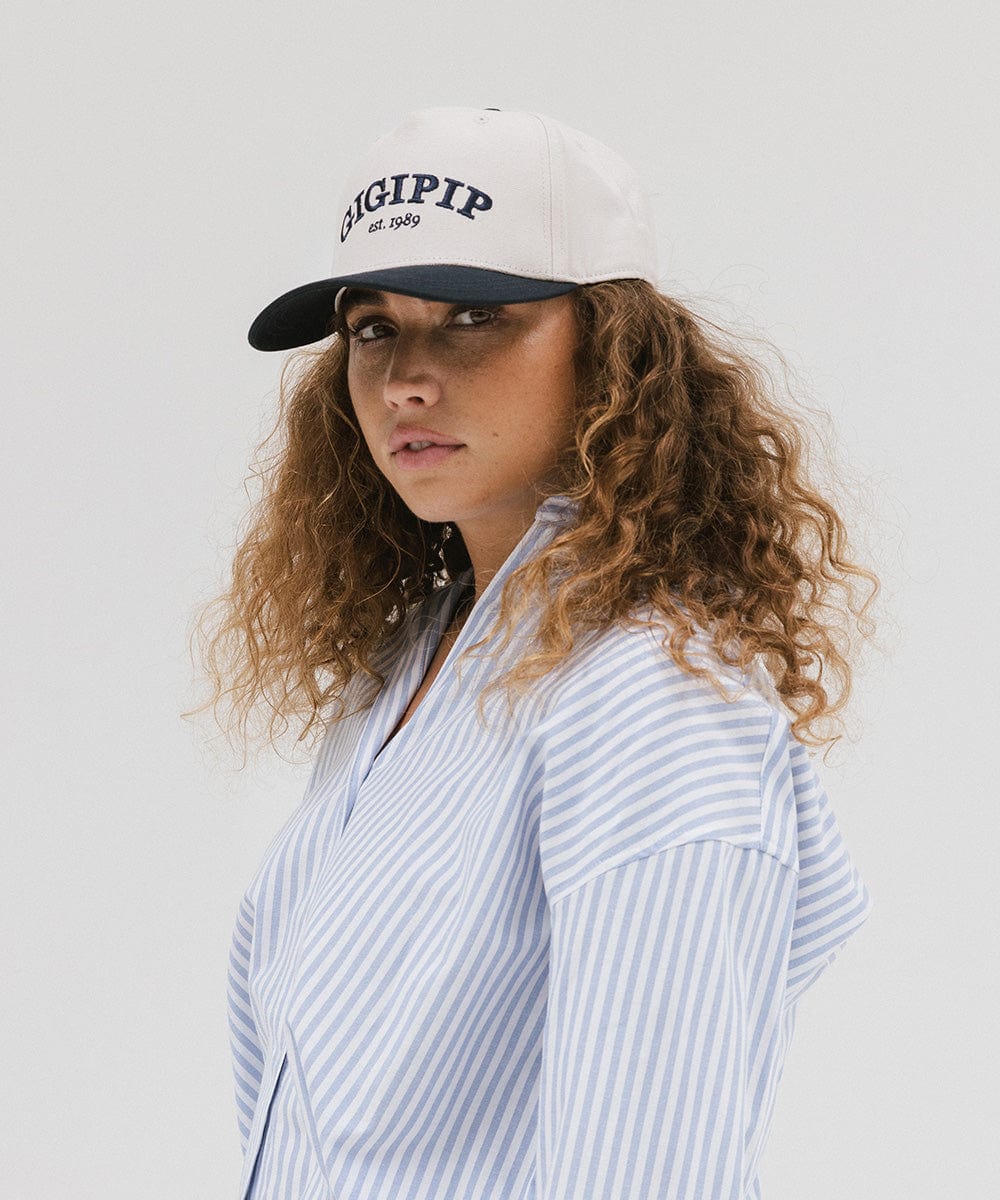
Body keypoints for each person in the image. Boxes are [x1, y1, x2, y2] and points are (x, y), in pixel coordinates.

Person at [195, 107, 878, 1200]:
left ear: (612, 350)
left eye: (472, 315)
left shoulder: (648, 697)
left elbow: (652, 1168)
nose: (405, 379)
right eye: (372, 327)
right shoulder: (409, 668)